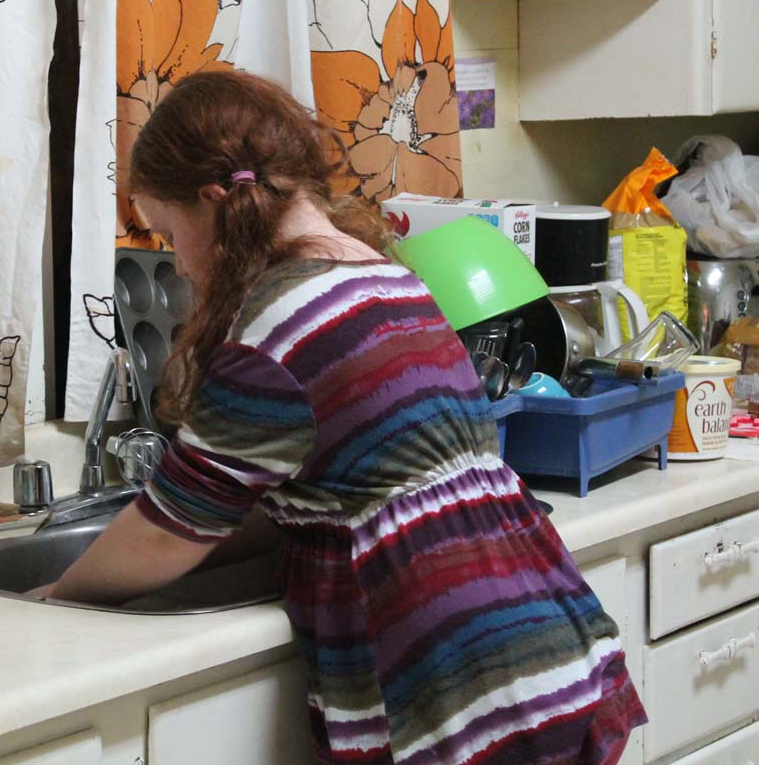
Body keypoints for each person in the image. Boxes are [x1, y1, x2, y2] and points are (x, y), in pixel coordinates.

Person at [45, 70, 647, 765]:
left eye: (169, 232)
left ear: (212, 201)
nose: (177, 262)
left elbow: (166, 533)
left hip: (456, 681)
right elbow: (274, 502)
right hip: (544, 645)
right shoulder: (384, 276)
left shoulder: (275, 329)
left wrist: (56, 596)